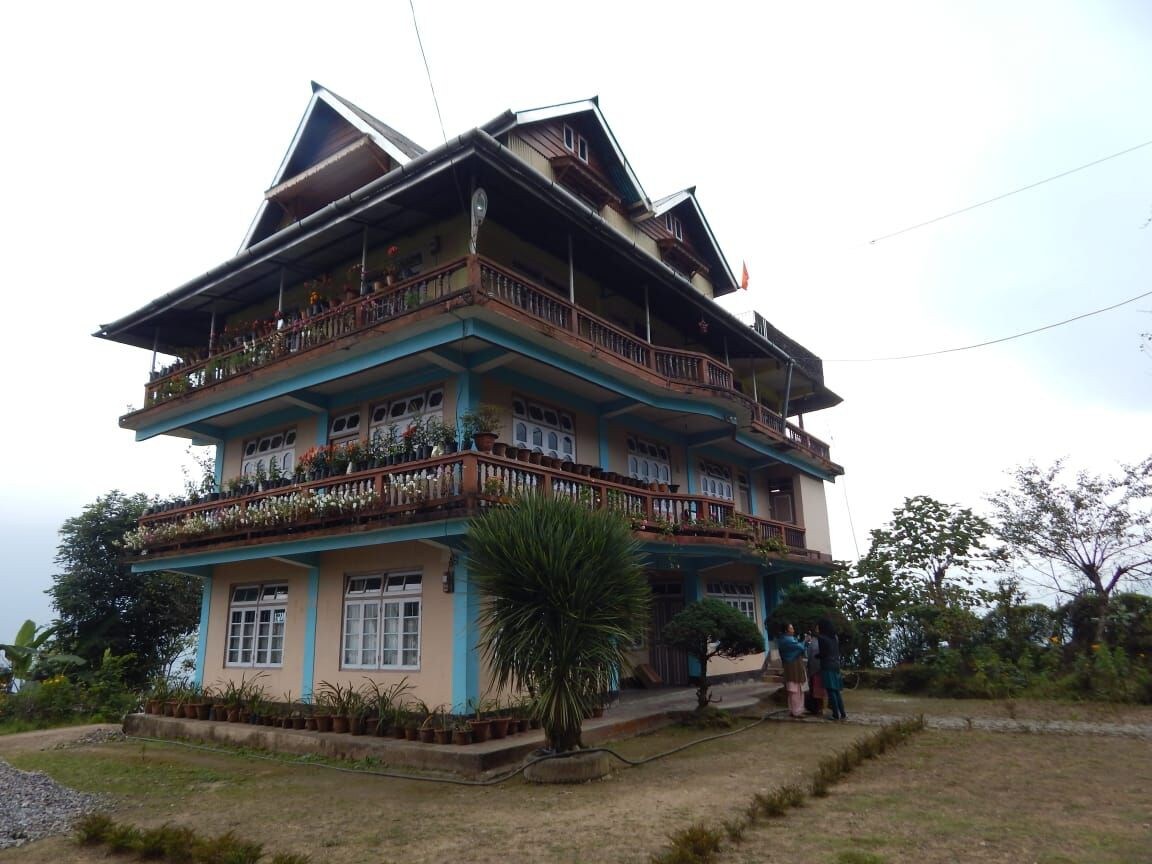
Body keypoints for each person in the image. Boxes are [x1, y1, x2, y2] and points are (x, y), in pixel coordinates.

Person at [817, 618, 846, 721]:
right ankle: (842, 713)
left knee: (830, 690)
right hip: (836, 664)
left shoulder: (821, 638)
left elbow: (823, 653)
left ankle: (835, 714)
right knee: (836, 690)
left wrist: (817, 656)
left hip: (827, 664)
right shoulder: (834, 637)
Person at [777, 622, 807, 719]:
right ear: (786, 630)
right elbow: (800, 647)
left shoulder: (783, 639)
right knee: (796, 690)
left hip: (789, 666)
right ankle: (797, 711)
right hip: (793, 667)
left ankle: (793, 710)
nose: (793, 630)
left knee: (792, 690)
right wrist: (805, 641)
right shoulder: (788, 640)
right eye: (791, 628)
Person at [804, 630, 825, 716]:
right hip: (822, 669)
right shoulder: (822, 642)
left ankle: (816, 709)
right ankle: (820, 709)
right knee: (820, 690)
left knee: (815, 690)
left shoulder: (812, 644)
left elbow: (808, 656)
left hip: (814, 670)